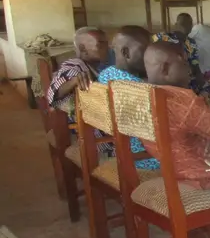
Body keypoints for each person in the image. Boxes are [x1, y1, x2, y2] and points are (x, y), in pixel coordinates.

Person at [142, 41, 210, 190]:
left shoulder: (143, 95)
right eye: (184, 64)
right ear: (165, 68)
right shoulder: (181, 101)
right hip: (203, 178)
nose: (189, 70)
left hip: (170, 172)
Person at [97, 25, 159, 170]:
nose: (152, 58)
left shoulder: (106, 75)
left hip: (123, 151)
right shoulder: (140, 89)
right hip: (147, 158)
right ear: (126, 52)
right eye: (146, 52)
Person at [46, 26, 111, 154]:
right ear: (82, 49)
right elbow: (52, 95)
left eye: (107, 44)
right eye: (101, 44)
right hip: (93, 135)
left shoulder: (96, 67)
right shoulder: (74, 67)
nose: (107, 49)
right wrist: (74, 81)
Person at [152, 13, 210, 99]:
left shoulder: (191, 43)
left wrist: (199, 76)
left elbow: (194, 63)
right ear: (176, 25)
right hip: (166, 76)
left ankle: (195, 104)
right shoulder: (161, 37)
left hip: (186, 78)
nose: (186, 26)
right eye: (183, 24)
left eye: (189, 24)